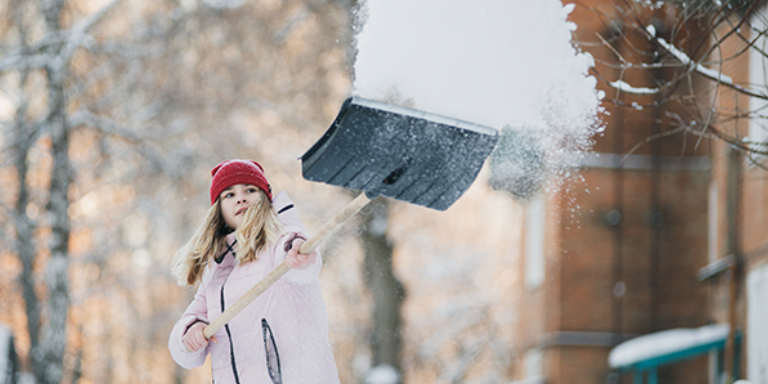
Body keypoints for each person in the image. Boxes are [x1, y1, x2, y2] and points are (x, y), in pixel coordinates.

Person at [168, 159, 340, 384]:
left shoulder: (279, 241)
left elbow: (298, 256)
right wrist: (189, 334)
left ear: (265, 199)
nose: (241, 198)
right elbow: (186, 352)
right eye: (229, 194)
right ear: (218, 211)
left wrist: (298, 253)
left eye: (250, 190)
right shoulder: (215, 270)